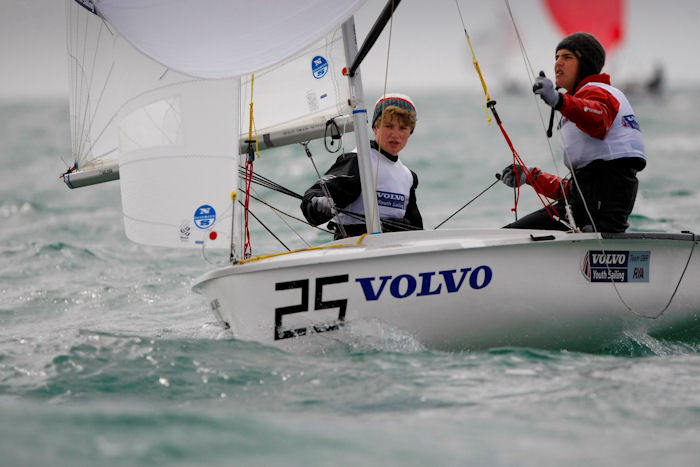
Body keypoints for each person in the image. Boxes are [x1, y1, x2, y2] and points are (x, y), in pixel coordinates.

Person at [500, 32, 646, 233]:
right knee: (511, 233)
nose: (558, 63)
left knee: (510, 236)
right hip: (589, 207)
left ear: (584, 64)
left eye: (567, 57)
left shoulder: (596, 91)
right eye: (556, 57)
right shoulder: (580, 101)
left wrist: (558, 100)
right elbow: (573, 192)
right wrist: (530, 176)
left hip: (599, 213)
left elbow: (598, 119)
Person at [300, 93, 423, 239]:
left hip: (393, 251)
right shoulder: (359, 160)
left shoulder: (408, 177)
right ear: (375, 128)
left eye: (403, 128)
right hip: (354, 250)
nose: (395, 134)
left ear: (410, 132)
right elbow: (316, 194)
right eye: (388, 126)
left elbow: (417, 231)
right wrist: (317, 202)